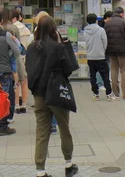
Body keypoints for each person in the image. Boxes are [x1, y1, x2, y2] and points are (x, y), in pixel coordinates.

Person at [26, 16, 79, 177]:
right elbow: (69, 69)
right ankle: (68, 164)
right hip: (57, 92)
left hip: (39, 94)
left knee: (42, 130)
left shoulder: (31, 47)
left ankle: (40, 170)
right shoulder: (58, 47)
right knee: (64, 127)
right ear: (53, 29)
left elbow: (30, 69)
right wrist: (64, 44)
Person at [84, 13, 119, 101]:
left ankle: (95, 94)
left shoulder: (85, 30)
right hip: (100, 56)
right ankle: (109, 94)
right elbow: (105, 42)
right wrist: (103, 51)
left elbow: (85, 43)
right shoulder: (101, 30)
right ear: (96, 20)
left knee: (92, 76)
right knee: (105, 76)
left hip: (90, 56)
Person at [104, 7, 125, 99]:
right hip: (122, 50)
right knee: (124, 71)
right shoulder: (123, 22)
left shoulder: (108, 23)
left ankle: (116, 93)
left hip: (111, 49)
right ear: (121, 14)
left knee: (114, 70)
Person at [12, 10, 31, 113]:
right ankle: (24, 104)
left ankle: (16, 104)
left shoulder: (10, 29)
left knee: (15, 81)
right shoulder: (26, 29)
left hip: (13, 58)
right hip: (24, 57)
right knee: (24, 80)